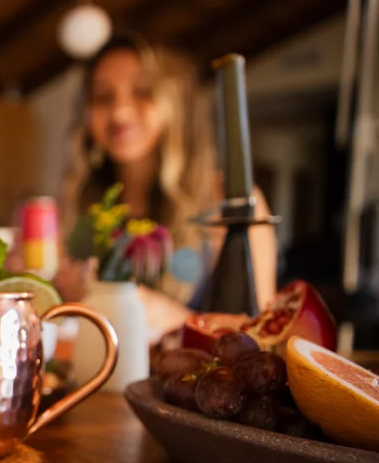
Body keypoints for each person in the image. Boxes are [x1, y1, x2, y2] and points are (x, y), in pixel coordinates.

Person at [55, 34, 277, 335]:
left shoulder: (229, 202)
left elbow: (260, 336)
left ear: (177, 102)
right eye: (103, 97)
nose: (119, 112)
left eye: (142, 91)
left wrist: (166, 314)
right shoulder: (79, 206)